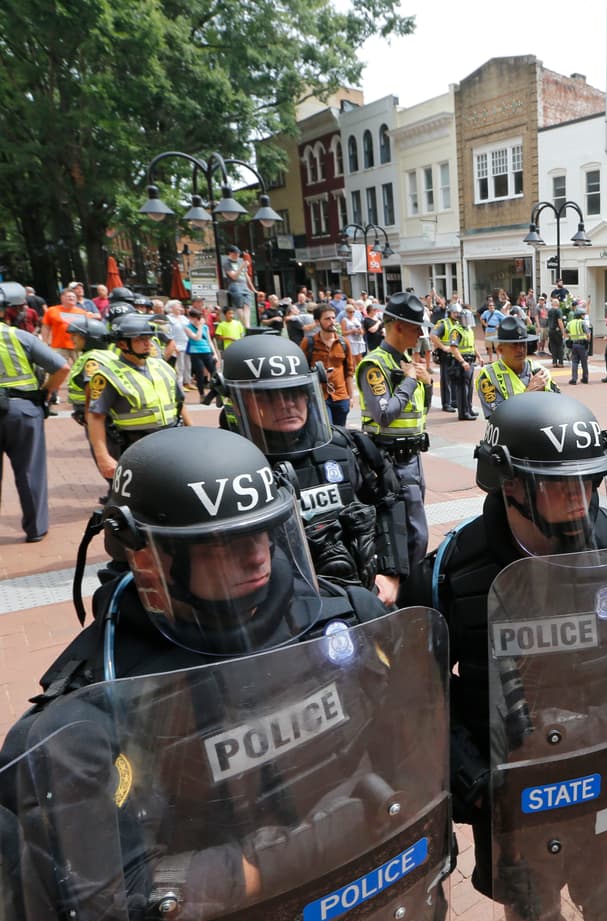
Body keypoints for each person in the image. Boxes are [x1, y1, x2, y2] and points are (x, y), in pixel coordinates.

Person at [0, 427, 409, 920]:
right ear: (151, 559)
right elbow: (115, 899)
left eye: (263, 531)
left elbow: (412, 752)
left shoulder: (346, 617)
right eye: (224, 543)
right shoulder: (85, 717)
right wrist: (338, 832)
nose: (258, 554)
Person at [400, 392, 607, 919]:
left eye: (589, 479)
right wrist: (474, 783)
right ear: (508, 482)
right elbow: (418, 703)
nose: (581, 497)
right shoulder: (448, 575)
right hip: (518, 799)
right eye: (560, 482)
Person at [220, 336, 410, 604]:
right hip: (278, 611)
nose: (286, 404)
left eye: (295, 392)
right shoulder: (222, 468)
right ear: (238, 402)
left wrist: (391, 572)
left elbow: (388, 501)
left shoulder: (348, 447)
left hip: (361, 600)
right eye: (268, 397)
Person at [356, 291, 433, 564]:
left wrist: (427, 384)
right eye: (416, 329)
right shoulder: (375, 365)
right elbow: (384, 415)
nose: (420, 335)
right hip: (390, 460)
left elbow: (419, 412)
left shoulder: (406, 361)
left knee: (412, 531)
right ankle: (406, 591)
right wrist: (411, 381)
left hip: (413, 457)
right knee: (412, 534)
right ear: (398, 326)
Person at [0, 282, 70, 542]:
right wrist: (46, 392)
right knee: (29, 471)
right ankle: (35, 529)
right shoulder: (19, 337)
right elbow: (62, 368)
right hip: (23, 410)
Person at [86, 311, 189, 483]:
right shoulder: (107, 375)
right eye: (139, 339)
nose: (147, 343)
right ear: (122, 344)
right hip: (135, 447)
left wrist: (192, 432)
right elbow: (96, 417)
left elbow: (179, 404)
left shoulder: (162, 366)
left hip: (172, 440)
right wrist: (102, 456)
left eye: (148, 338)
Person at [475, 316, 558, 418]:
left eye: (523, 344)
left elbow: (559, 405)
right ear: (500, 349)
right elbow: (498, 418)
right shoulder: (489, 376)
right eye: (514, 345)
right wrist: (528, 395)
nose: (520, 350)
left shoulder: (540, 371)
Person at [302, 304, 356, 428]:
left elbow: (349, 372)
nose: (332, 322)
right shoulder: (309, 342)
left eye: (333, 318)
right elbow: (302, 371)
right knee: (327, 430)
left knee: (341, 433)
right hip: (319, 396)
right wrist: (317, 374)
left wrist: (351, 397)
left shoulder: (343, 342)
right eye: (327, 319)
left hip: (341, 396)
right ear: (317, 322)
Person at [430, 302, 478, 419]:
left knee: (457, 381)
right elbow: (433, 335)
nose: (457, 314)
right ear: (449, 312)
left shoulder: (461, 324)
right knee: (446, 379)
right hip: (446, 354)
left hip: (457, 355)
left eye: (458, 312)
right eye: (454, 312)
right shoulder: (443, 323)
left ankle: (457, 402)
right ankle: (446, 403)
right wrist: (443, 347)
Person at [185, 302, 217, 400]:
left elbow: (209, 340)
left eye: (199, 318)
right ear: (191, 318)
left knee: (214, 373)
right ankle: (201, 394)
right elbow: (197, 338)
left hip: (206, 351)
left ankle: (216, 393)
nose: (198, 320)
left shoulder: (205, 327)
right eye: (196, 318)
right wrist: (199, 326)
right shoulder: (187, 328)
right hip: (195, 353)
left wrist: (214, 353)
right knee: (199, 374)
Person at [222, 245, 257, 325]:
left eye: (238, 253)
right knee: (240, 306)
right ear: (230, 253)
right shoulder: (227, 263)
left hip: (244, 285)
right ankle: (246, 326)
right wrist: (241, 267)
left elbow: (246, 276)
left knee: (247, 305)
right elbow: (234, 276)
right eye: (235, 253)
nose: (237, 255)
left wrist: (252, 288)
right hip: (235, 285)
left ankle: (248, 325)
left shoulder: (240, 262)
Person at [566, 306, 591, 385]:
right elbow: (588, 334)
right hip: (582, 345)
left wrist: (570, 337)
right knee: (584, 362)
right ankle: (585, 378)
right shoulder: (582, 322)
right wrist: (588, 340)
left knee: (574, 362)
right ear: (580, 315)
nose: (584, 316)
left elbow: (566, 332)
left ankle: (574, 378)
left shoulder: (570, 323)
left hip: (574, 345)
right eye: (583, 315)